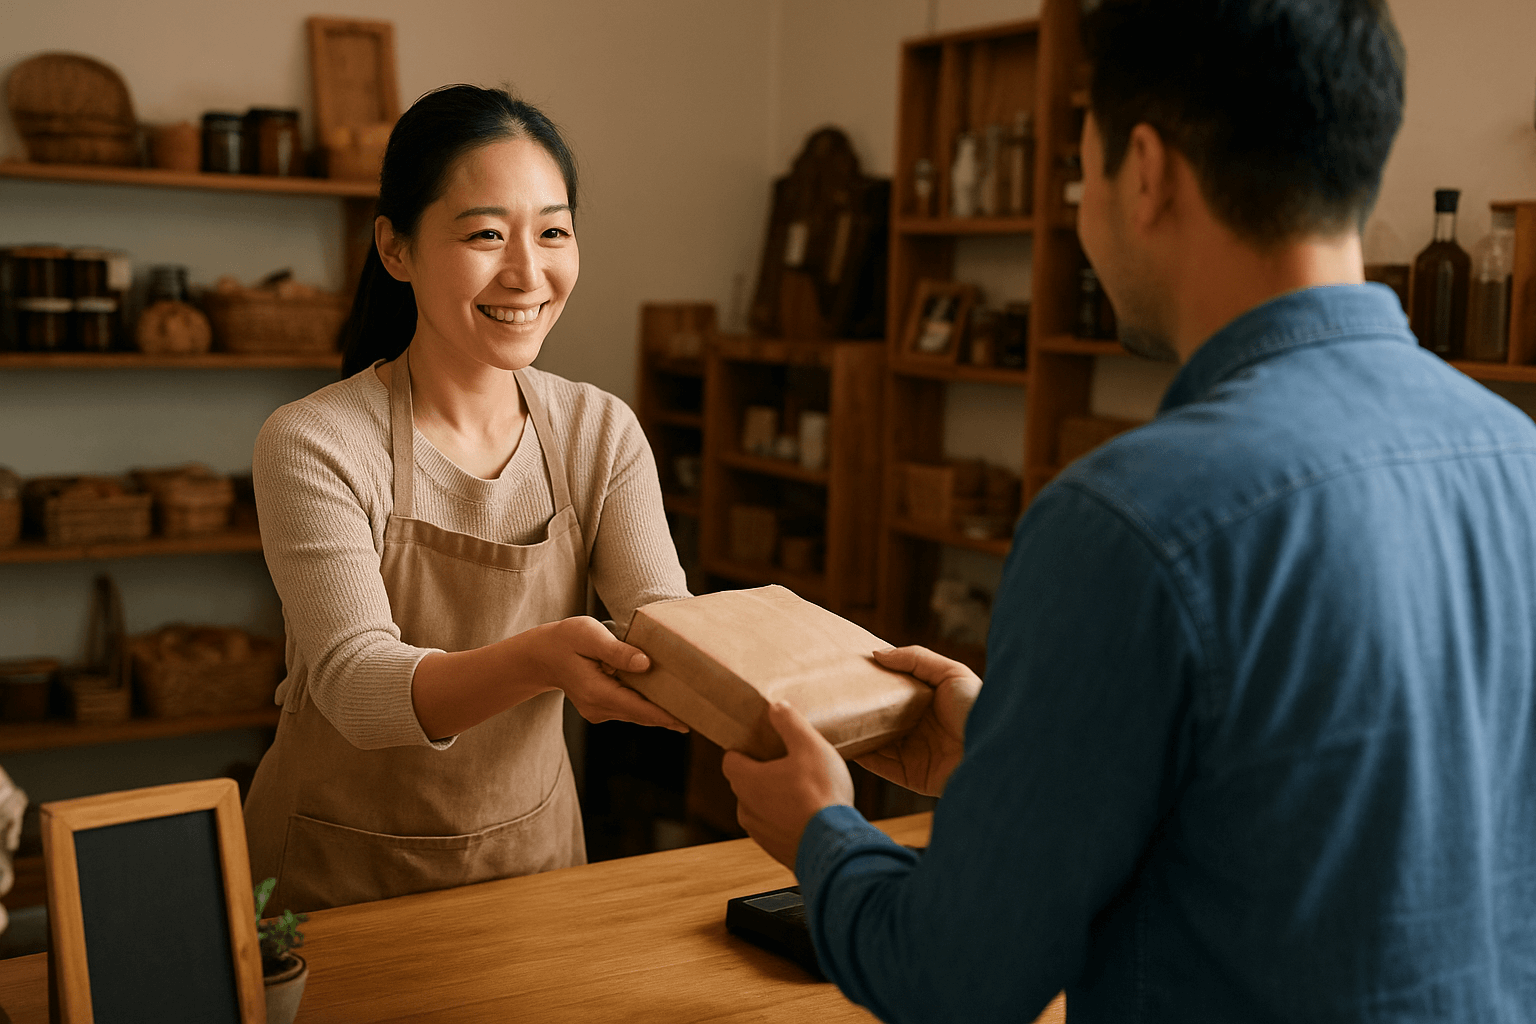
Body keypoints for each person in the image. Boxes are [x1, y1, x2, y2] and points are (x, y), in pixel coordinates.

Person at [723, 1, 1536, 1020]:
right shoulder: (1518, 459)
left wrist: (820, 833)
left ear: (1144, 170)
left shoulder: (1130, 520)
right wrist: (1021, 753)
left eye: (1082, 167)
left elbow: (952, 980)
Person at [243, 86, 689, 914]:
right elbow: (355, 684)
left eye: (552, 232)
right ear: (395, 248)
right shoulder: (315, 441)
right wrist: (539, 659)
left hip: (533, 864)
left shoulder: (599, 431)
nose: (527, 272)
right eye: (486, 234)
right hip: (335, 878)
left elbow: (664, 620)